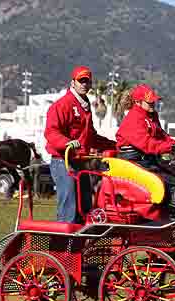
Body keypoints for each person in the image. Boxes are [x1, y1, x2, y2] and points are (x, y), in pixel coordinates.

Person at [44, 66, 116, 223]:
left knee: (85, 207)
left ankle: (80, 245)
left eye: (87, 81)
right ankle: (62, 244)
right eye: (81, 81)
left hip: (80, 163)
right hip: (63, 162)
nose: (84, 84)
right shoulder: (62, 105)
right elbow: (51, 132)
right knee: (69, 208)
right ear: (73, 82)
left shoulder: (85, 105)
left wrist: (115, 145)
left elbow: (90, 137)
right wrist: (67, 142)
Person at [115, 83, 175, 220]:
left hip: (148, 160)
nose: (153, 103)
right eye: (149, 102)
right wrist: (169, 148)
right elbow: (147, 144)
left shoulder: (152, 116)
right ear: (137, 102)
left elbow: (162, 136)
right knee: (171, 183)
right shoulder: (133, 119)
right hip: (134, 162)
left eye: (154, 101)